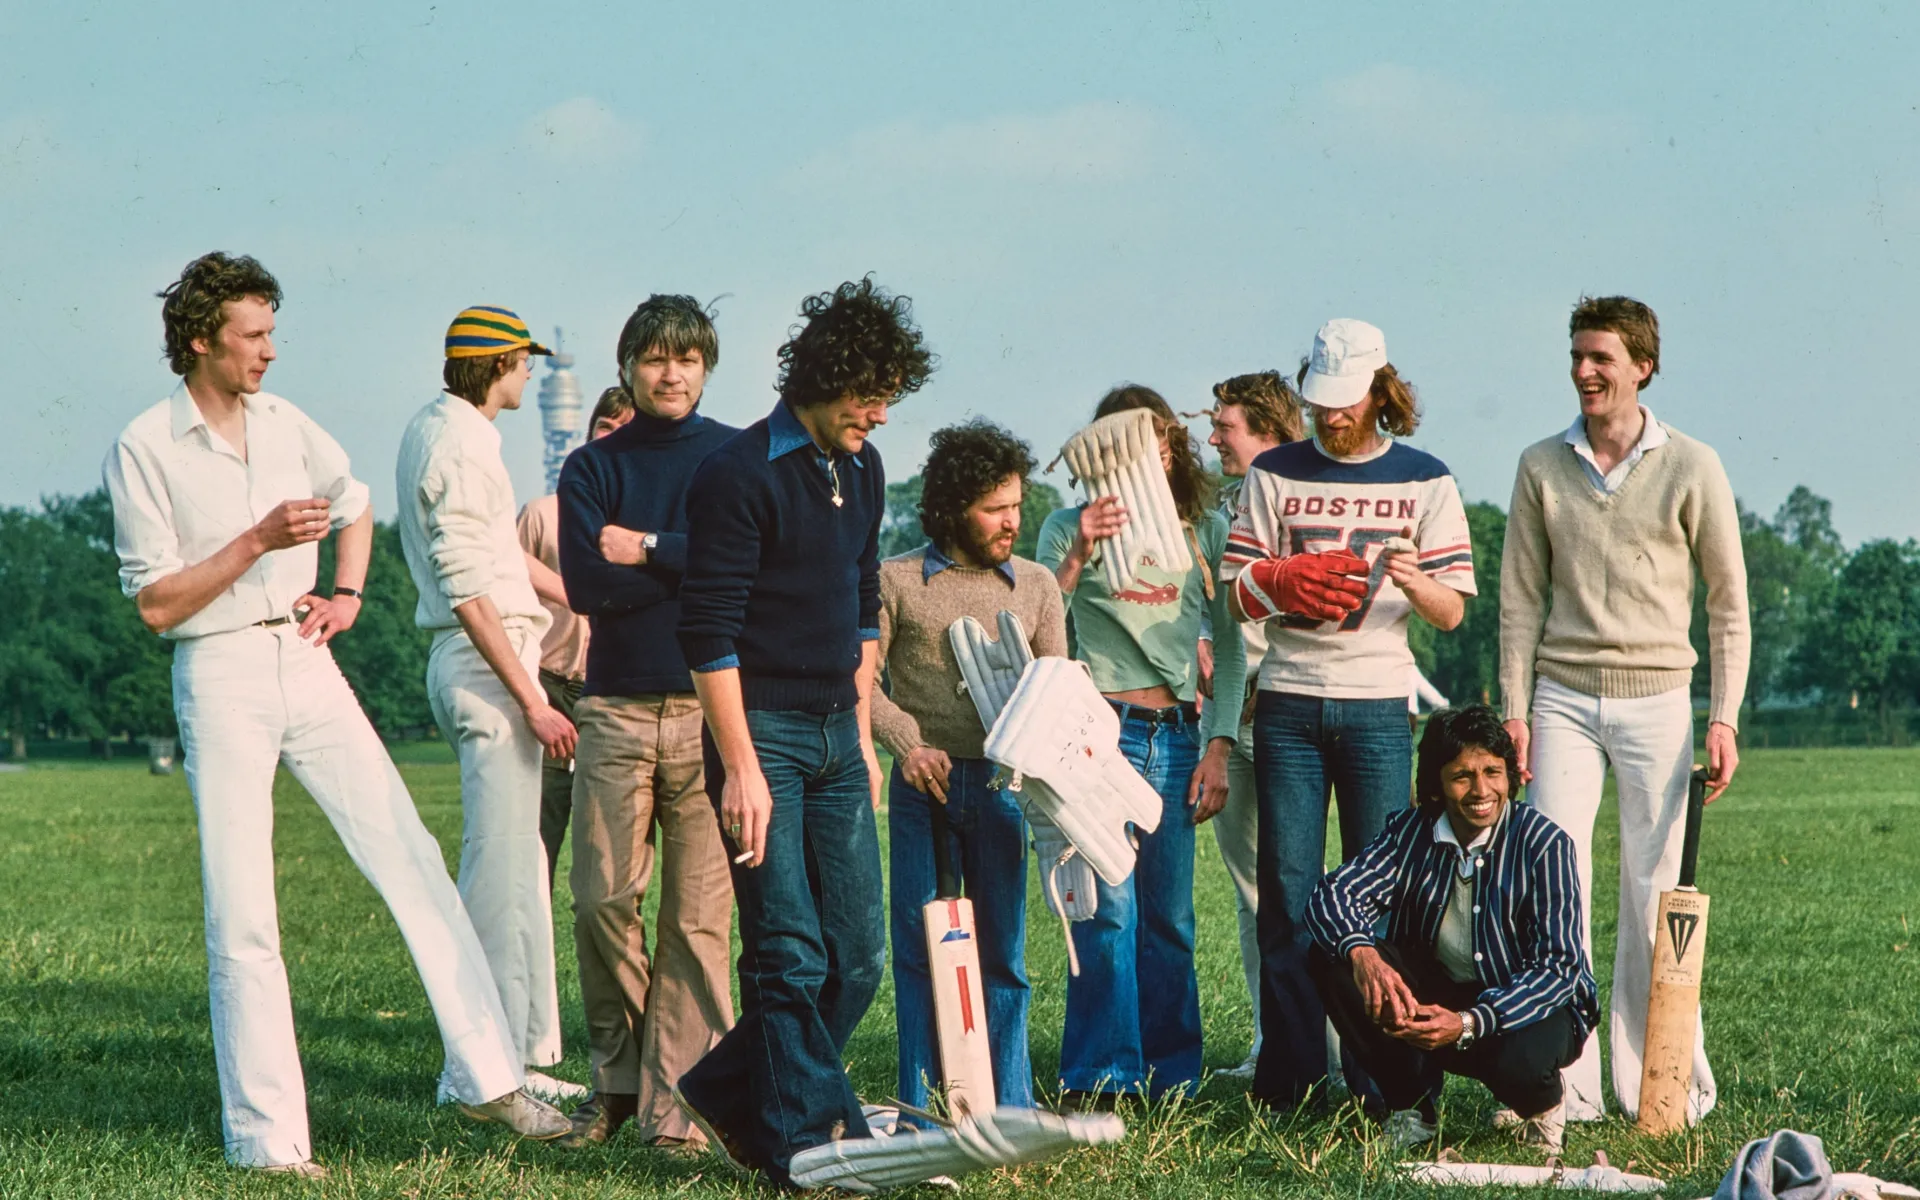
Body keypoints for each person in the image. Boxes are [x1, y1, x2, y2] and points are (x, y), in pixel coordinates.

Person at [103, 253, 567, 1177]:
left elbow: (355, 504)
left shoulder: (285, 422)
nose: (271, 351)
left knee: (411, 855)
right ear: (201, 340)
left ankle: (488, 1079)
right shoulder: (144, 446)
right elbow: (157, 603)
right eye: (254, 335)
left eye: (273, 332)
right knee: (244, 911)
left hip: (306, 659)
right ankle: (269, 1145)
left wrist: (347, 594)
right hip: (220, 668)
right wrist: (258, 540)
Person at [671, 278, 933, 1185]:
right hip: (764, 741)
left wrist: (861, 735)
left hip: (834, 735)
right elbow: (706, 634)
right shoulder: (737, 475)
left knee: (855, 956)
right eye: (871, 397)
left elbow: (863, 607)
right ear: (826, 378)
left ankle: (732, 1091)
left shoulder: (859, 467)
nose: (882, 416)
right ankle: (809, 1145)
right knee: (787, 951)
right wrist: (740, 769)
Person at [1499, 295, 1750, 1123]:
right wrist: (1514, 709)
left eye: (1601, 357)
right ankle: (1560, 1088)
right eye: (1576, 356)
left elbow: (1727, 605)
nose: (1584, 371)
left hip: (1661, 704)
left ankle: (1664, 1088)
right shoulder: (1541, 464)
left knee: (1653, 897)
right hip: (1562, 698)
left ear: (1643, 365)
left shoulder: (1694, 464)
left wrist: (1725, 718)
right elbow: (1519, 602)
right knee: (1554, 888)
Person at [1221, 318, 1477, 1110]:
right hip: (1291, 701)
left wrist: (1413, 577)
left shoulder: (1425, 478)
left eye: (1346, 402)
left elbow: (1452, 610)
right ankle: (1293, 1081)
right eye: (1320, 402)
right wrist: (1282, 581)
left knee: (1383, 899)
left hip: (1376, 706)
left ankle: (1390, 1087)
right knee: (1288, 896)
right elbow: (1233, 593)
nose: (1331, 417)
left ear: (1379, 389)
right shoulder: (1273, 473)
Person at [554, 296, 740, 1148]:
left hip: (713, 715)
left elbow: (752, 571)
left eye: (689, 359)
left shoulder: (735, 459)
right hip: (617, 709)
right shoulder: (592, 469)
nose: (673, 374)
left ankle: (680, 1110)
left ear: (706, 368)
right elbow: (589, 590)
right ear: (628, 365)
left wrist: (651, 550)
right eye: (657, 359)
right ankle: (620, 1083)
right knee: (600, 902)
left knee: (697, 923)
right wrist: (692, 565)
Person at [1035, 384, 1246, 1103]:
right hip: (1101, 735)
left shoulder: (1202, 530)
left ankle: (1172, 1075)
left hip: (1179, 737)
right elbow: (1043, 625)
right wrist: (1082, 550)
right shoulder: (1067, 527)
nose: (1149, 454)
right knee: (1108, 910)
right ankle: (1102, 1074)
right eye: (1128, 442)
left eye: (1158, 439)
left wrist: (1219, 742)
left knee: (1171, 918)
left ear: (1170, 447)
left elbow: (1232, 645)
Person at [396, 306, 580, 1103]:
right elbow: (468, 585)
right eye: (524, 361)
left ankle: (521, 1058)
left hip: (492, 658)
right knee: (500, 870)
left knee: (520, 868)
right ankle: (478, 1074)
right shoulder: (460, 444)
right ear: (499, 365)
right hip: (487, 665)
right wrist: (532, 698)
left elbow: (498, 557)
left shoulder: (448, 430)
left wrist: (583, 595)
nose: (532, 373)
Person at [874, 419, 1068, 1117]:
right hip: (921, 786)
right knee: (920, 952)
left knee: (1002, 959)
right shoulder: (894, 580)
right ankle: (922, 1106)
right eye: (996, 508)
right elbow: (859, 682)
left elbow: (1059, 691)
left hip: (1000, 789)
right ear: (956, 507)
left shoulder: (1039, 586)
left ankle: (1007, 1108)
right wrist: (905, 740)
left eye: (1016, 505)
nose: (1012, 521)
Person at [1304, 705, 1596, 1154]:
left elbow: (1560, 968)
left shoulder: (1545, 843)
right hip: (1442, 992)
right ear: (1437, 784)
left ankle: (1542, 1109)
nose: (1481, 790)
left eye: (1492, 772)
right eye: (1462, 775)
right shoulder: (1411, 832)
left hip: (1525, 1007)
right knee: (1334, 959)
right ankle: (1412, 1110)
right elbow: (1333, 895)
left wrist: (1468, 1023)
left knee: (1521, 1058)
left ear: (1510, 776)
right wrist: (1362, 954)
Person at [1197, 370, 1307, 1080]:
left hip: (1293, 713)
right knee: (1251, 892)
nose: (1212, 438)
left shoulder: (1308, 502)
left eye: (1225, 426)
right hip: (1227, 716)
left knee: (1294, 889)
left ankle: (1317, 1047)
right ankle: (1276, 1043)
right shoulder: (1216, 508)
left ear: (1267, 431)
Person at [517, 386, 635, 885]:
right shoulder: (544, 514)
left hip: (616, 693)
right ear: (586, 437)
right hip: (550, 686)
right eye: (605, 428)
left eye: (626, 430)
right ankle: (524, 955)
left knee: (612, 847)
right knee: (536, 835)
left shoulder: (649, 523)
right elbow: (502, 576)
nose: (613, 438)